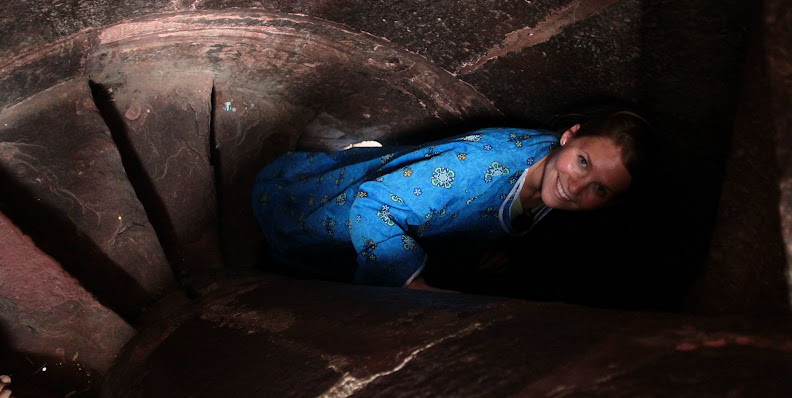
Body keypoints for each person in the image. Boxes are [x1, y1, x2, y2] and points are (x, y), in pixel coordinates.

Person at [252, 109, 650, 290]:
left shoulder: (551, 173)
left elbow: (502, 205)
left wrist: (494, 241)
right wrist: (415, 287)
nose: (576, 187)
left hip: (406, 212)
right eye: (583, 162)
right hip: (338, 213)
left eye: (600, 189)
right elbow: (372, 204)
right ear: (569, 135)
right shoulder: (480, 164)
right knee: (298, 243)